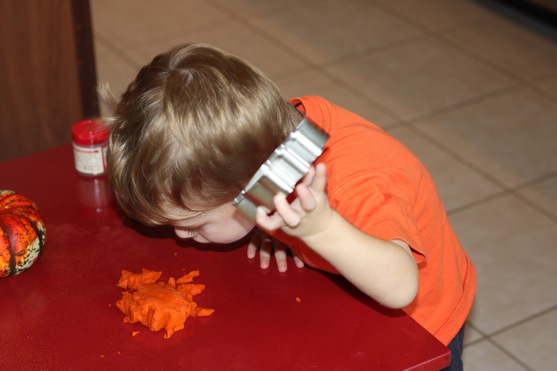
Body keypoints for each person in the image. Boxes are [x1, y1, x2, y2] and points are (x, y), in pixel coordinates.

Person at [101, 43, 476, 370]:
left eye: (196, 225)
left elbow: (401, 288)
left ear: (252, 186)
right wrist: (270, 226)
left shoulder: (355, 185)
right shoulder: (273, 141)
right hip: (349, 299)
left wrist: (320, 230)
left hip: (422, 325)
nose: (181, 236)